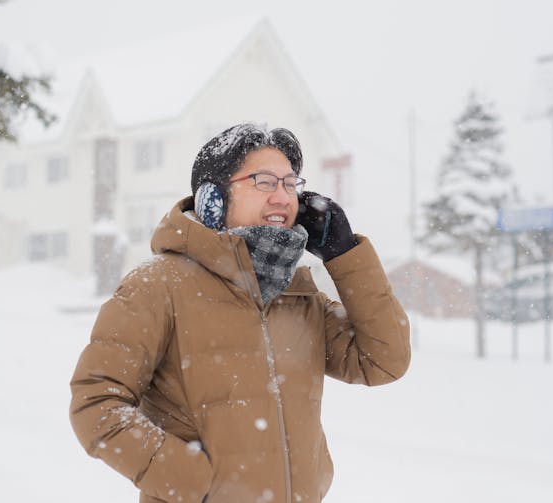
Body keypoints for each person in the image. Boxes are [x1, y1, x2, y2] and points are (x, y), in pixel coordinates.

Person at [69, 123, 411, 503]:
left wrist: (344, 253)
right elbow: (97, 403)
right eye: (264, 182)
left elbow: (383, 360)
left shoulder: (296, 292)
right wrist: (198, 483)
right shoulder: (158, 285)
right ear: (212, 200)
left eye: (290, 183)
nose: (283, 196)